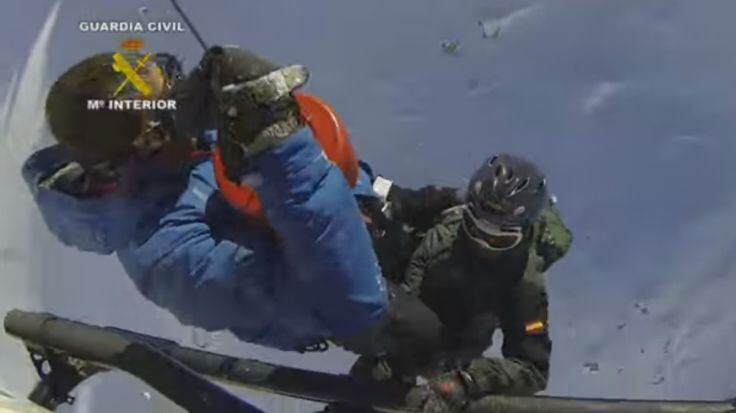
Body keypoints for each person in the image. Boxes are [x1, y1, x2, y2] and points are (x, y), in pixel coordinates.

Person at [22, 46, 442, 362]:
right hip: (363, 303)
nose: (186, 109)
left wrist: (384, 192)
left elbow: (320, 155)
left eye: (175, 84)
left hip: (362, 226)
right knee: (432, 333)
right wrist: (279, 145)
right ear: (142, 147)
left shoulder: (181, 151)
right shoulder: (169, 257)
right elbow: (347, 305)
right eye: (169, 111)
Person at [332, 154, 572, 413]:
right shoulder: (448, 206)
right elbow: (397, 197)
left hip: (450, 353)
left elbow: (533, 368)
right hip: (400, 317)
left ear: (523, 233)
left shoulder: (524, 282)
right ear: (467, 209)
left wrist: (469, 380)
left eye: (499, 239)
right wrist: (355, 187)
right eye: (474, 228)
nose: (483, 245)